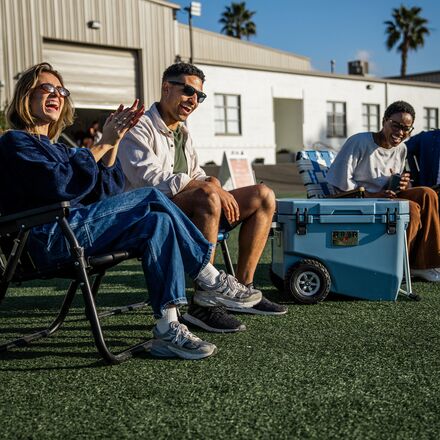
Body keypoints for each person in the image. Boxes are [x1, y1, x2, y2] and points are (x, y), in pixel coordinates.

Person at [0, 62, 262, 360]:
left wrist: (114, 143)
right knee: (149, 196)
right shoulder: (14, 142)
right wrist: (102, 144)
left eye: (61, 91)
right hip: (45, 240)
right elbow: (59, 183)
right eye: (46, 88)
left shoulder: (60, 149)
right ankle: (209, 277)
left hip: (74, 232)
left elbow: (105, 191)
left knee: (158, 222)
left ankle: (168, 328)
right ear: (26, 96)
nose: (56, 95)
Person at [118, 62, 287, 334]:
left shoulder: (183, 132)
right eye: (188, 91)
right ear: (166, 88)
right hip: (149, 213)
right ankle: (203, 304)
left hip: (189, 208)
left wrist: (213, 182)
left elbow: (195, 173)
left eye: (200, 96)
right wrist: (210, 189)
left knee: (263, 195)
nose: (193, 100)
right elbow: (149, 180)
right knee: (207, 195)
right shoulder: (139, 126)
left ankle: (243, 289)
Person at [326, 100, 440, 282]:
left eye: (406, 129)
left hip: (386, 199)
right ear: (384, 121)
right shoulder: (359, 142)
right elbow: (339, 187)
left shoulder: (401, 149)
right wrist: (373, 195)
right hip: (360, 201)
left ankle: (424, 263)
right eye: (396, 125)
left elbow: (392, 185)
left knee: (428, 194)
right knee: (410, 208)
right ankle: (400, 265)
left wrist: (403, 185)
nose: (400, 133)